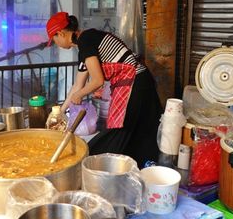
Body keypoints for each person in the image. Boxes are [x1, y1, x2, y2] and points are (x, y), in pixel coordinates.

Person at [46, 11, 162, 166]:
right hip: (135, 81)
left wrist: (80, 95)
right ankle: (136, 166)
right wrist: (60, 112)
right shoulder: (84, 47)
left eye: (54, 40)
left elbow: (98, 80)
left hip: (137, 81)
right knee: (135, 129)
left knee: (120, 129)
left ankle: (94, 162)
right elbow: (77, 86)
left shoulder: (86, 40)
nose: (56, 44)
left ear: (60, 33)